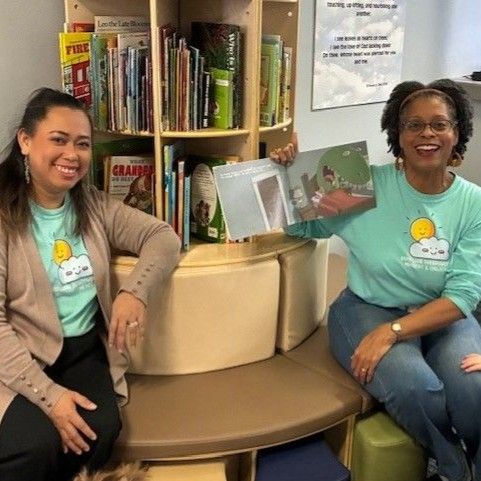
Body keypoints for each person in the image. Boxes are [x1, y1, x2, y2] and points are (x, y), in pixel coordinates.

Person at [272, 79, 481, 481]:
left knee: (471, 391)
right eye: (413, 125)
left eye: (439, 124)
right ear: (397, 135)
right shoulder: (360, 183)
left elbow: (462, 297)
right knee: (416, 387)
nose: (426, 135)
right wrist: (285, 175)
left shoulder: (472, 203)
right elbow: (300, 230)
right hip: (367, 307)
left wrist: (393, 332)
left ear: (457, 134)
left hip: (442, 313)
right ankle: (453, 466)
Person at [0, 88, 181, 481]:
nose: (72, 155)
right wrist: (51, 399)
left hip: (82, 351)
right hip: (18, 355)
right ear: (25, 141)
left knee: (98, 431)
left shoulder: (93, 204)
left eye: (82, 144)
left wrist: (134, 292)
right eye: (59, 140)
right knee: (34, 445)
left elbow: (163, 237)